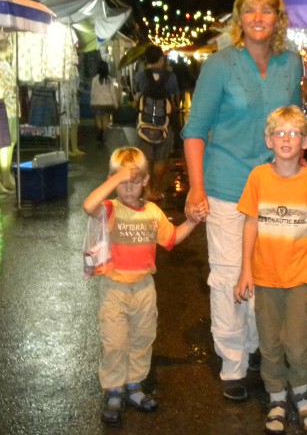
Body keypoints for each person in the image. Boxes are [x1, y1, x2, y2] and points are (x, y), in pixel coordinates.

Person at [182, 0, 303, 402]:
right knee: (230, 275)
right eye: (249, 10)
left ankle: (255, 347)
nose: (257, 18)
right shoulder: (220, 64)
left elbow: (295, 125)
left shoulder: (292, 64)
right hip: (226, 186)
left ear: (278, 19)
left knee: (267, 275)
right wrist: (196, 188)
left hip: (275, 189)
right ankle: (233, 361)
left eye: (266, 11)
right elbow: (196, 130)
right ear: (239, 19)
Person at [235, 106, 307, 433]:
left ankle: (302, 392)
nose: (286, 139)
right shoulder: (258, 178)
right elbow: (250, 224)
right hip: (265, 277)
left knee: (298, 340)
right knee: (270, 341)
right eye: (280, 132)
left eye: (294, 133)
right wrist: (245, 271)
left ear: (306, 141)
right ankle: (276, 396)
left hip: (302, 278)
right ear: (269, 140)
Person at [82, 147, 199, 427]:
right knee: (114, 342)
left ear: (146, 180)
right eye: (122, 181)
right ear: (113, 179)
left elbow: (172, 239)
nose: (129, 187)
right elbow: (88, 205)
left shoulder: (153, 213)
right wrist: (116, 178)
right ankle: (113, 389)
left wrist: (193, 221)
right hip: (114, 289)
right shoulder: (110, 209)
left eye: (135, 180)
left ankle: (134, 386)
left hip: (145, 288)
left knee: (141, 340)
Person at [134, 44, 180, 202]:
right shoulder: (171, 77)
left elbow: (137, 96)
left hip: (144, 125)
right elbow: (175, 99)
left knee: (145, 160)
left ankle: (146, 191)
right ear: (161, 59)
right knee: (161, 159)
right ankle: (156, 190)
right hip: (164, 125)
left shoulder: (140, 76)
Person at [90, 60, 119, 143]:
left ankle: (100, 130)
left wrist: (91, 102)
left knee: (98, 117)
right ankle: (103, 132)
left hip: (97, 103)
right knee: (106, 118)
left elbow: (92, 92)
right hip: (107, 103)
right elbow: (112, 92)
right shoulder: (109, 79)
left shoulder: (94, 79)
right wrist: (115, 104)